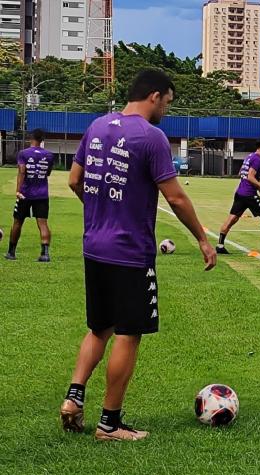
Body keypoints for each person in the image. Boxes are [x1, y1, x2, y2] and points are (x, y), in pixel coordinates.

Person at [61, 69, 217, 440]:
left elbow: (74, 181)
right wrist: (202, 239)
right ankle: (109, 424)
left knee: (100, 327)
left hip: (94, 246)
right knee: (128, 334)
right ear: (154, 96)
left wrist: (100, 212)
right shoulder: (151, 137)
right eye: (167, 102)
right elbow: (175, 196)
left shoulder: (96, 126)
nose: (166, 109)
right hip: (129, 251)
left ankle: (73, 397)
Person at [216, 137, 260, 254]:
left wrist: (257, 187)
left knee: (232, 218)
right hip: (249, 195)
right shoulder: (257, 160)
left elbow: (242, 173)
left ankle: (220, 245)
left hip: (240, 193)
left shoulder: (249, 156)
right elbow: (250, 176)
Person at [5, 129, 55, 262]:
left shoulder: (23, 153)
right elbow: (48, 173)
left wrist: (18, 190)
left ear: (30, 139)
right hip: (42, 194)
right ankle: (45, 254)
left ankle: (11, 252)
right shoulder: (49, 155)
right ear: (42, 140)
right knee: (43, 223)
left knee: (17, 221)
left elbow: (22, 171)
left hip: (25, 194)